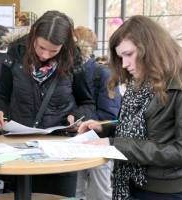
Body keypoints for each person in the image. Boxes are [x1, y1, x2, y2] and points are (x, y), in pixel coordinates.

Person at [78, 15, 182, 200]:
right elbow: (137, 126)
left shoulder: (179, 83)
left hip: (166, 191)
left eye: (129, 54)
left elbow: (180, 150)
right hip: (131, 184)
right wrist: (103, 128)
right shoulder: (141, 82)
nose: (125, 65)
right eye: (121, 57)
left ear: (151, 48)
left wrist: (116, 145)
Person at [0, 10, 95, 197]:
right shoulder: (16, 50)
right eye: (41, 47)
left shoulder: (74, 57)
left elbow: (87, 102)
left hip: (60, 154)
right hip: (19, 152)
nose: (45, 55)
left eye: (53, 50)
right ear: (33, 36)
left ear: (64, 47)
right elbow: (1, 94)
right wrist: (0, 113)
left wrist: (79, 118)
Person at [74, 26, 121, 200]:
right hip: (76, 141)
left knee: (100, 192)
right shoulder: (71, 71)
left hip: (98, 140)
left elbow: (111, 114)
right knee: (76, 191)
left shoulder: (102, 72)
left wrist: (85, 122)